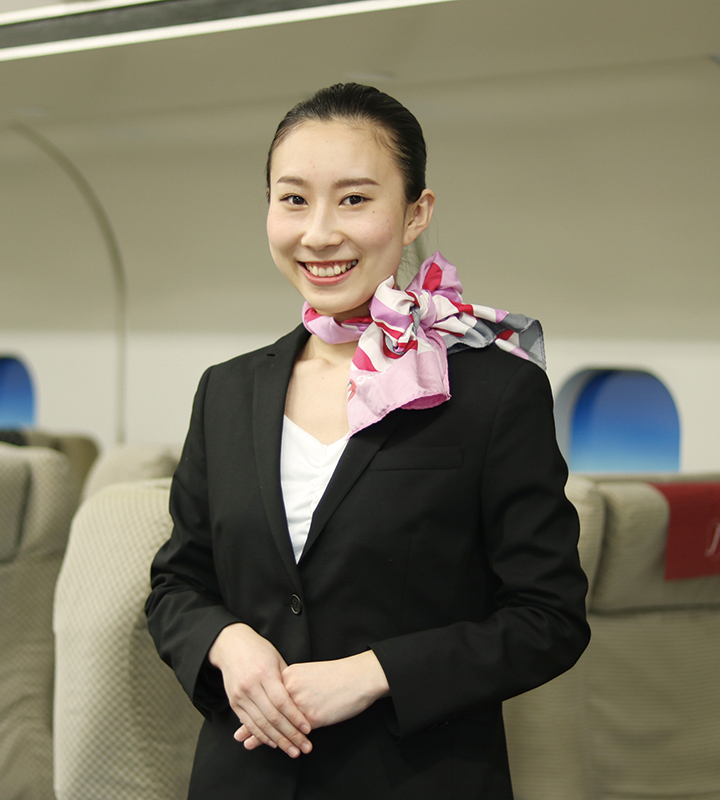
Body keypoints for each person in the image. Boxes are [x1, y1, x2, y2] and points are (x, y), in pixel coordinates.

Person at [145, 83, 589, 800]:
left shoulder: (494, 392)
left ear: (416, 213)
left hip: (417, 777)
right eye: (293, 199)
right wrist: (227, 644)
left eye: (354, 199)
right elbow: (177, 585)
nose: (319, 233)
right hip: (246, 777)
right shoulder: (226, 391)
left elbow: (549, 619)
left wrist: (373, 673)